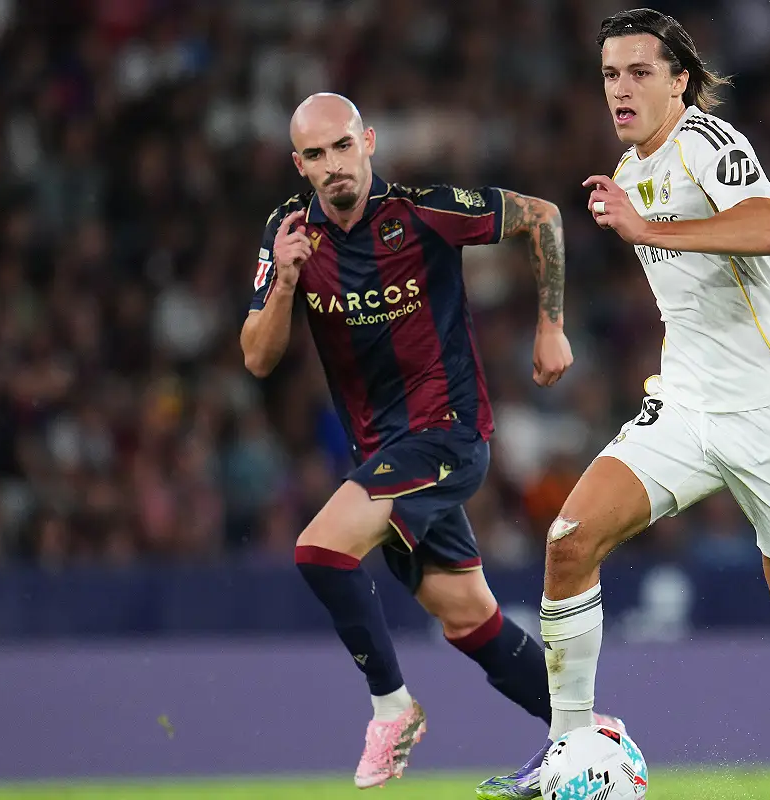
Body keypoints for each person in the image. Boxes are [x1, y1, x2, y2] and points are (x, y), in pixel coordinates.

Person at [478, 9, 770, 800]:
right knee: (569, 542)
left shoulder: (709, 143)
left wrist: (648, 224)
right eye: (611, 73)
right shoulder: (630, 165)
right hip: (686, 404)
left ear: (679, 79)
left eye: (640, 71)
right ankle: (567, 748)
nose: (621, 87)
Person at [240, 93, 620, 790]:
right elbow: (258, 357)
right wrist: (287, 282)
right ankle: (588, 738)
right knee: (468, 619)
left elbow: (543, 216)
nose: (333, 166)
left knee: (320, 551)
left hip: (446, 434)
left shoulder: (423, 212)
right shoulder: (288, 232)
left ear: (369, 142)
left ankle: (392, 707)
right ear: (300, 164)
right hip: (382, 457)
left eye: (343, 147)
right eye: (316, 156)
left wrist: (550, 325)